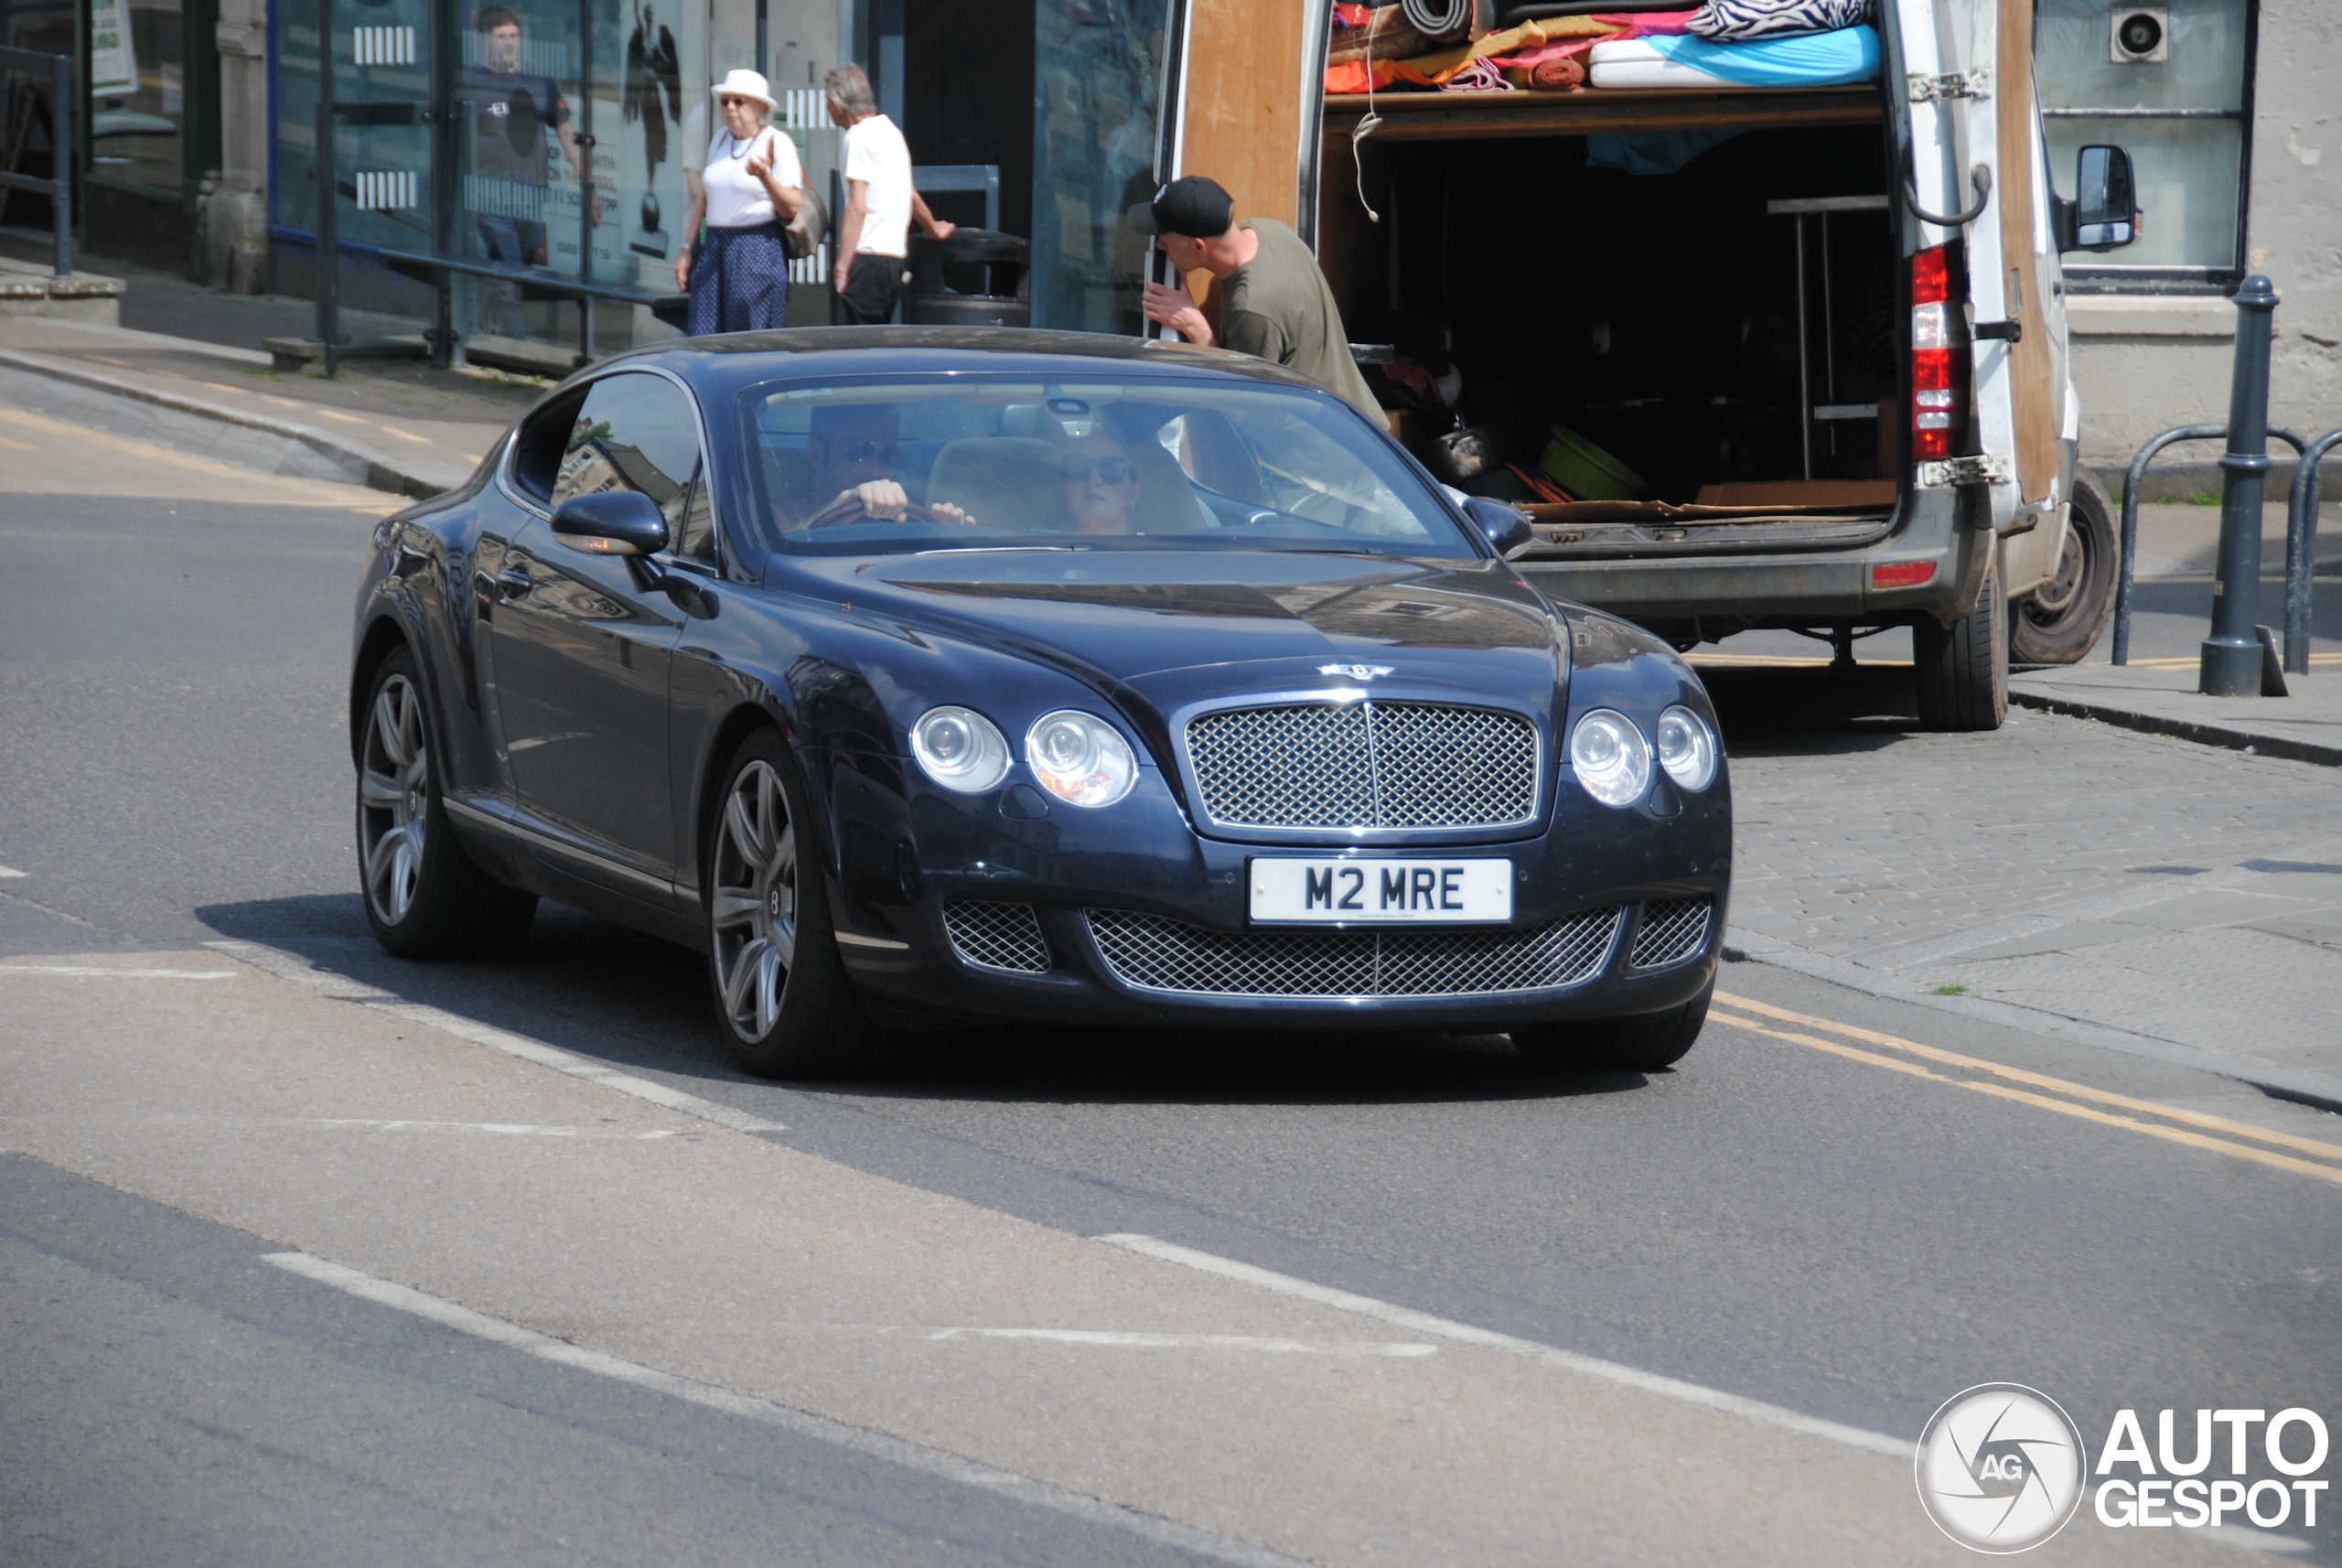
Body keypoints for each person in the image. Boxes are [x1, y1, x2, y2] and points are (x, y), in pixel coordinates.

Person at [1138, 176, 1383, 424]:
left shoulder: (1252, 309)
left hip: (1319, 454)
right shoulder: (1269, 230)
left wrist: (1196, 328)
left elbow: (1244, 407)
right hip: (1362, 428)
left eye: (1166, 240)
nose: (1159, 246)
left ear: (1198, 246)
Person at [462, 5, 600, 337]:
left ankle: (489, 321)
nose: (509, 43)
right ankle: (515, 343)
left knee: (517, 267)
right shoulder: (470, 82)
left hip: (530, 195)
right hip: (489, 195)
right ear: (483, 43)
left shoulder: (539, 82)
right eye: (500, 38)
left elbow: (569, 134)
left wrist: (589, 186)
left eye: (513, 36)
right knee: (508, 267)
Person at [821, 63, 958, 326]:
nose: (827, 108)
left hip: (865, 259)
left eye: (828, 100)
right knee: (875, 350)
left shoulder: (857, 137)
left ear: (840, 102)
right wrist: (931, 227)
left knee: (848, 352)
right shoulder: (892, 133)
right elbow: (907, 192)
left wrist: (841, 266)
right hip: (893, 263)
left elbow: (857, 207)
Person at [674, 70, 800, 333]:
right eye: (725, 101)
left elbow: (792, 205)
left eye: (739, 101)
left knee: (749, 336)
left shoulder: (777, 142)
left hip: (756, 247)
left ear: (760, 107)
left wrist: (765, 176)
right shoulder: (720, 139)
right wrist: (687, 248)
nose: (730, 107)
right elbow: (704, 199)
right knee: (704, 333)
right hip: (716, 245)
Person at [778, 403, 974, 530]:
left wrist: (947, 538)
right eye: (858, 452)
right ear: (816, 454)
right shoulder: (778, 520)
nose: (875, 469)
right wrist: (841, 506)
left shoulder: (907, 522)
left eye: (888, 455)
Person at [1052, 430, 1142, 535]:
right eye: (1078, 468)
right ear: (1064, 486)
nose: (1093, 480)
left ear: (1134, 492)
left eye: (1111, 468)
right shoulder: (1035, 549)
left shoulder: (1158, 550)